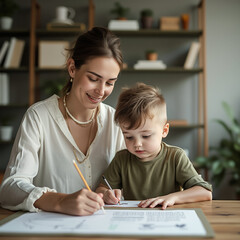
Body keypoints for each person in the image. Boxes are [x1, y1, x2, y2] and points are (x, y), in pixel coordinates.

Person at [0, 27, 126, 216]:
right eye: (93, 79)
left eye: (109, 83)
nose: (101, 91)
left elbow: (129, 181)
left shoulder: (115, 122)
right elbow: (9, 189)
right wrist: (61, 201)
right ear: (72, 68)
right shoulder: (39, 116)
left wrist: (114, 194)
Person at [96, 83, 212, 210]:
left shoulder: (175, 157)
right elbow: (102, 189)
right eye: (129, 137)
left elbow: (205, 192)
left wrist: (172, 198)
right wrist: (107, 194)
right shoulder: (121, 159)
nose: (137, 144)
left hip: (168, 218)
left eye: (145, 136)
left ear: (164, 130)